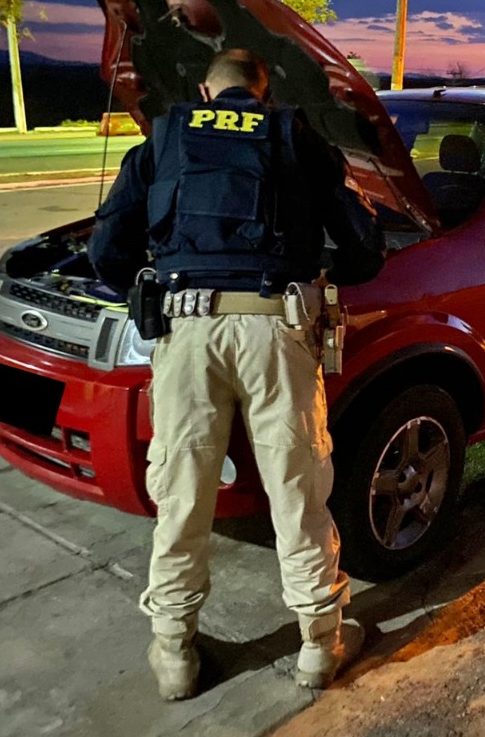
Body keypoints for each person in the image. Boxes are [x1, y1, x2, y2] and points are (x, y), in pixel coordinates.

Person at [88, 48, 386, 701]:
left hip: (186, 334)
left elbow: (104, 250)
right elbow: (365, 253)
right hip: (276, 330)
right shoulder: (296, 140)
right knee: (297, 490)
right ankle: (319, 644)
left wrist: (156, 290)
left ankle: (174, 653)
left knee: (182, 496)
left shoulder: (163, 140)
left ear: (205, 90)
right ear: (263, 92)